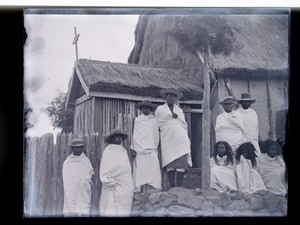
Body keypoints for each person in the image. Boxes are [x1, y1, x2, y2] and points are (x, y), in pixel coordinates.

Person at [155, 88, 192, 188]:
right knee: (170, 163)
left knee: (181, 164)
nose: (172, 98)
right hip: (168, 138)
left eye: (174, 96)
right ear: (166, 97)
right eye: (170, 96)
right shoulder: (160, 109)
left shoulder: (179, 110)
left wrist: (175, 117)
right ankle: (172, 187)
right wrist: (171, 116)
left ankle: (179, 187)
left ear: (176, 99)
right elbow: (159, 123)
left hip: (180, 139)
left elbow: (183, 124)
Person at [99, 129, 134, 217]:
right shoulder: (108, 150)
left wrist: (123, 175)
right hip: (112, 183)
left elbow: (126, 168)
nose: (118, 139)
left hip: (125, 183)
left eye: (120, 137)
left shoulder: (123, 151)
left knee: (124, 207)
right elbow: (105, 168)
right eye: (116, 137)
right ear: (112, 139)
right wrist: (109, 180)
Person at [130, 100, 162, 193]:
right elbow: (135, 135)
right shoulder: (138, 120)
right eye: (144, 108)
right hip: (140, 149)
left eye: (148, 108)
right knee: (141, 170)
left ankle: (154, 189)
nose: (146, 110)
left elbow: (156, 134)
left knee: (153, 170)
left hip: (151, 148)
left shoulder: (153, 120)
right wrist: (133, 147)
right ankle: (141, 190)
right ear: (141, 109)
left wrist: (155, 146)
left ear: (150, 109)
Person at [62, 138, 94, 217]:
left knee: (82, 209)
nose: (79, 149)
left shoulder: (86, 161)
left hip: (83, 189)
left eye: (80, 147)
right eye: (76, 147)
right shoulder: (68, 162)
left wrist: (86, 180)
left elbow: (89, 172)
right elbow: (66, 178)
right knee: (71, 208)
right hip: (71, 189)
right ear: (72, 149)